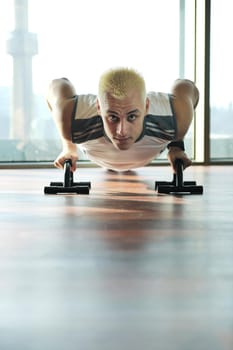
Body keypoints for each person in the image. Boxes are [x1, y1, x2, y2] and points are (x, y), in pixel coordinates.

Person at [46, 67, 199, 173]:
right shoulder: (71, 118)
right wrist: (68, 146)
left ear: (146, 106)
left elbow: (186, 86)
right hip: (97, 154)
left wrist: (176, 145)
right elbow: (58, 84)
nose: (122, 131)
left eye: (132, 116)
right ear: (98, 107)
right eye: (113, 117)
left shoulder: (174, 116)